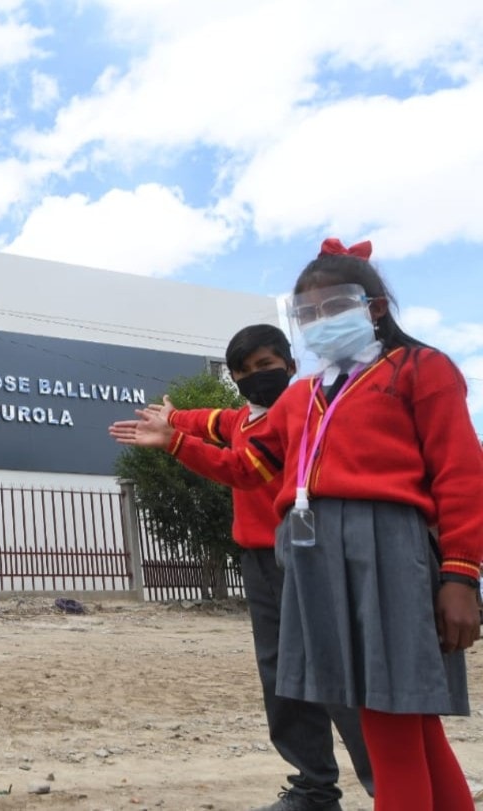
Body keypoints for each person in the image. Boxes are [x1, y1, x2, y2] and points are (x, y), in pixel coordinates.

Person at [113, 238, 483, 810]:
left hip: (385, 550)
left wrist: (460, 575)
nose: (319, 321)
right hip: (315, 560)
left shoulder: (420, 370)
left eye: (334, 306)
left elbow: (460, 474)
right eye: (307, 312)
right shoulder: (302, 398)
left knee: (391, 717)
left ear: (373, 308)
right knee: (407, 724)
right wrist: (176, 441)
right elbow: (246, 465)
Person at [118, 324, 373, 811]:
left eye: (265, 366)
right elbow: (210, 420)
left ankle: (392, 785)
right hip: (259, 564)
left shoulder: (305, 416)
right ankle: (313, 789)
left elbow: (242, 469)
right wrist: (174, 417)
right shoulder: (242, 419)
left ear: (290, 365)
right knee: (282, 678)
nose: (254, 377)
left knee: (335, 674)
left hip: (308, 559)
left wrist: (175, 441)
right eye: (242, 371)